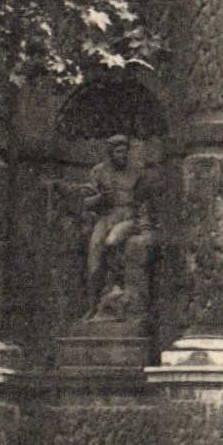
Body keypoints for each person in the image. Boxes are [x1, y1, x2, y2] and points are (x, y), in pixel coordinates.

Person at [83, 135, 145, 318]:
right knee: (94, 256)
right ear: (110, 153)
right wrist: (101, 198)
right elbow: (86, 202)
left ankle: (115, 285)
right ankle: (92, 305)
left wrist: (144, 224)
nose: (122, 156)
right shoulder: (98, 172)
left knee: (112, 241)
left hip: (127, 218)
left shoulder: (137, 171)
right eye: (118, 152)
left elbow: (144, 202)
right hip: (106, 217)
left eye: (125, 152)